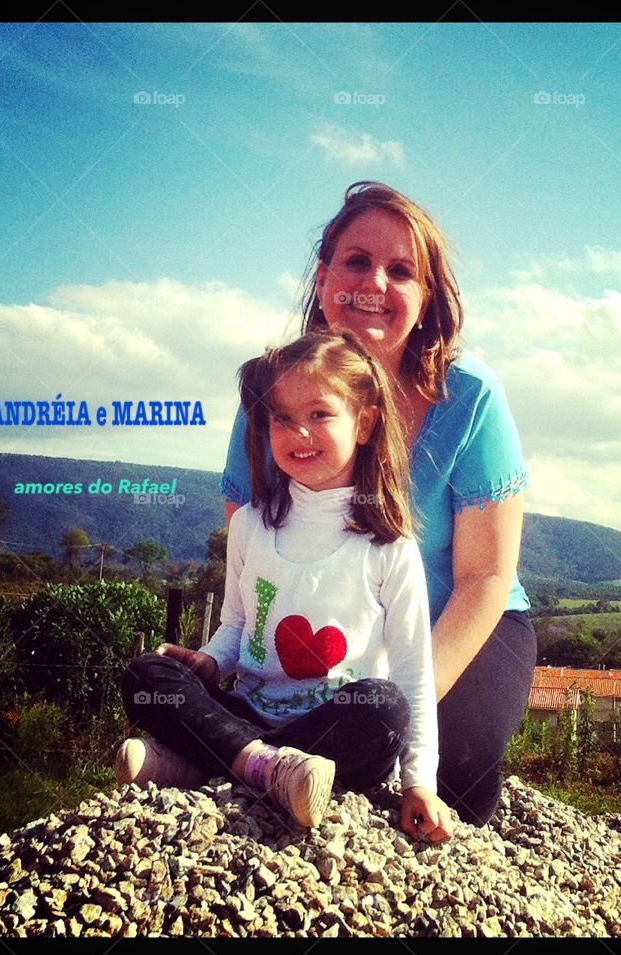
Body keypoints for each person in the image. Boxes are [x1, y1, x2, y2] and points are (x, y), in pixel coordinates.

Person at [221, 182, 537, 834]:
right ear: (323, 275)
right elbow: (248, 543)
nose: (375, 283)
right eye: (357, 261)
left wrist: (401, 699)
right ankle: (259, 755)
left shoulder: (470, 396)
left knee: (455, 780)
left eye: (401, 271)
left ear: (425, 299)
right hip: (313, 624)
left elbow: (485, 576)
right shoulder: (275, 386)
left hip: (458, 621)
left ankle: (242, 754)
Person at [119, 331, 454, 840]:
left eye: (320, 414)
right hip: (249, 710)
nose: (299, 432)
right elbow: (236, 625)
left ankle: (204, 765)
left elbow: (413, 673)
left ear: (363, 423)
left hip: (336, 734)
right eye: (282, 417)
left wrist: (419, 782)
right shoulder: (250, 525)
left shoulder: (390, 547)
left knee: (384, 705)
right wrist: (209, 660)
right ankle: (264, 768)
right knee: (147, 675)